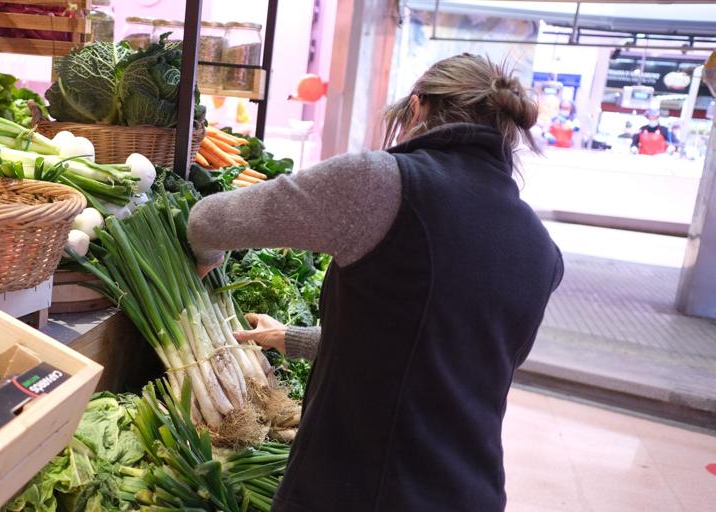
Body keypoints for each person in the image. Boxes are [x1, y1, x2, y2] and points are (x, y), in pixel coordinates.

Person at [187, 53, 564, 511]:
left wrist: (208, 258)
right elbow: (437, 357)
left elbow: (208, 221)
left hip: (361, 489)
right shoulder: (542, 250)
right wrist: (293, 339)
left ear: (419, 108)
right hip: (472, 492)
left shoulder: (382, 183)